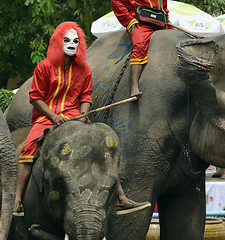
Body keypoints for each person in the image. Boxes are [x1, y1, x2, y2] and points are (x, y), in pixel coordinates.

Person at [13, 21, 151, 217]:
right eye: (67, 40)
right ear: (58, 42)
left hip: (75, 117)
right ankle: (17, 200)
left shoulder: (84, 69)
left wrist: (82, 115)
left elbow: (86, 96)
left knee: (102, 147)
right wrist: (53, 116)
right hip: (46, 119)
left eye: (76, 41)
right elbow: (35, 97)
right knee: (28, 150)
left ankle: (121, 198)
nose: (72, 43)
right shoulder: (44, 67)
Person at [111, 0, 174, 98]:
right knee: (140, 45)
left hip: (159, 22)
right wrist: (129, 20)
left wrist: (167, 20)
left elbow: (163, 6)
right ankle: (134, 86)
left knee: (175, 40)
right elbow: (116, 1)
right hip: (140, 23)